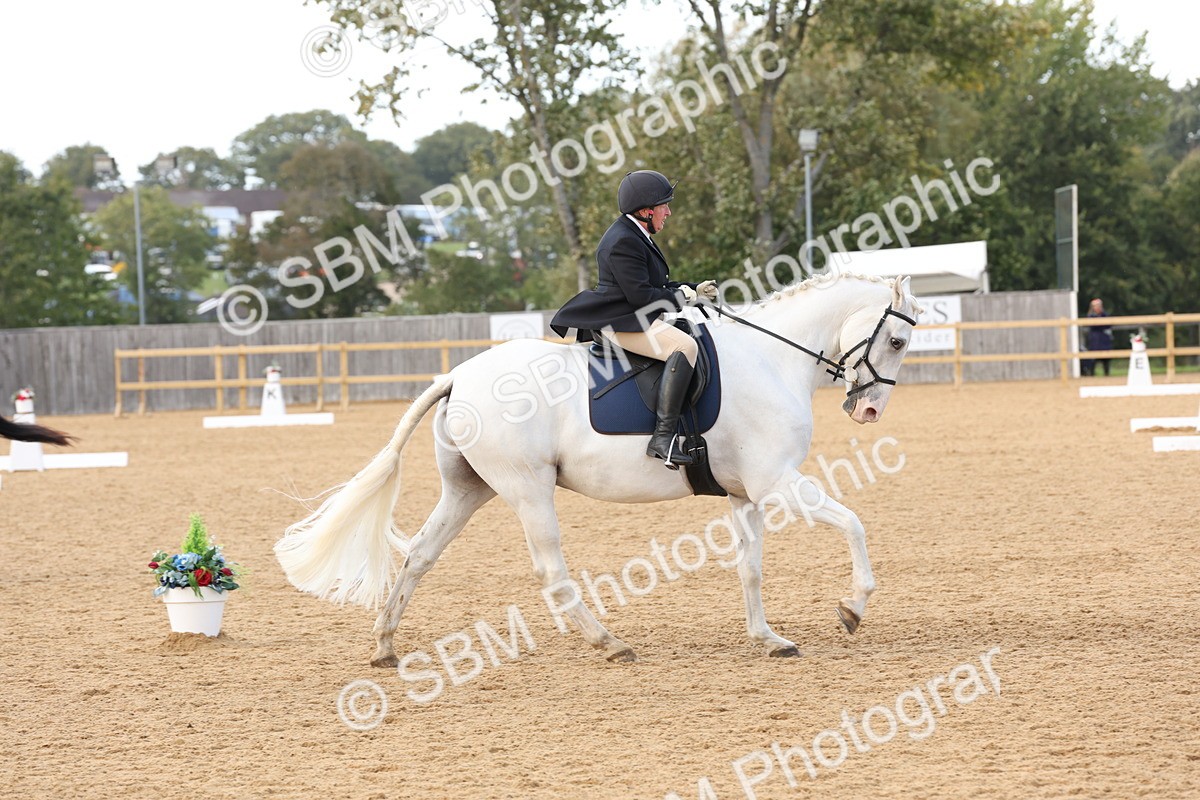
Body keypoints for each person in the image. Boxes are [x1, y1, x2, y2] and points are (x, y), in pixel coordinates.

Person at [551, 170, 718, 468]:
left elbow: (654, 283)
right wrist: (685, 299)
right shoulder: (623, 242)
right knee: (684, 348)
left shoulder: (635, 234)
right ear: (645, 211)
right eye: (664, 206)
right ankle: (663, 439)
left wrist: (693, 288)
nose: (668, 211)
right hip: (620, 321)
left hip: (632, 316)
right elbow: (641, 296)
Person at [1086, 297, 1113, 377]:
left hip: (1104, 339)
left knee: (1106, 358)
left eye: (1098, 305)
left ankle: (1107, 374)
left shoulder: (1105, 315)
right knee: (1093, 358)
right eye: (1095, 306)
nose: (1097, 307)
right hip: (1095, 339)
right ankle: (1092, 374)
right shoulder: (1091, 316)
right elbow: (1092, 326)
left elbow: (1108, 325)